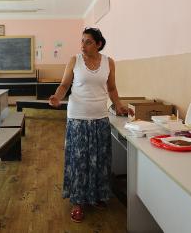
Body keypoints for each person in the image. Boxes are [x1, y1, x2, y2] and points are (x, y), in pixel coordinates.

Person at [49, 27, 134, 223]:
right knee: (79, 161)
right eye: (82, 41)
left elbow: (111, 88)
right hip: (77, 117)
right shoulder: (75, 60)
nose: (83, 45)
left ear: (98, 44)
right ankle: (78, 201)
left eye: (87, 41)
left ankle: (97, 196)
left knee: (99, 160)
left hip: (100, 118)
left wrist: (119, 106)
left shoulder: (108, 62)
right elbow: (64, 85)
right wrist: (57, 97)